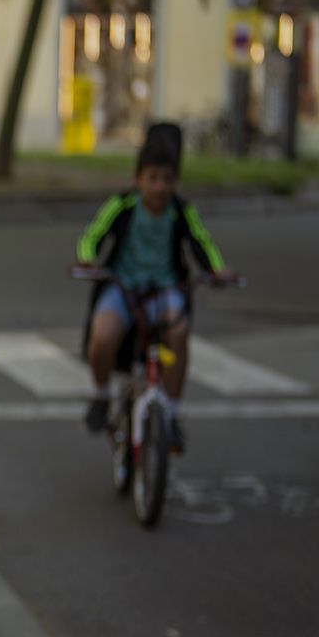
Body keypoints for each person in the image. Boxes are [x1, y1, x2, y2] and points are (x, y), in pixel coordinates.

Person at [75, 129, 237, 452]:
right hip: (123, 288)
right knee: (103, 336)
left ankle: (172, 414)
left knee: (178, 333)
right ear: (137, 179)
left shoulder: (181, 211)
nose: (160, 187)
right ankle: (101, 396)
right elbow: (91, 236)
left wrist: (216, 270)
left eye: (167, 179)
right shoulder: (121, 206)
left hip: (164, 290)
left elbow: (201, 243)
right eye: (152, 178)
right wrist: (88, 260)